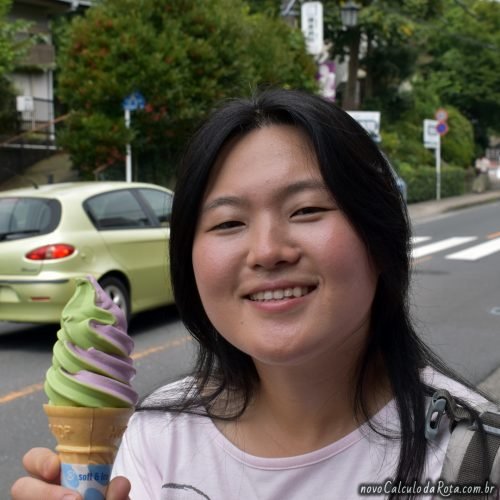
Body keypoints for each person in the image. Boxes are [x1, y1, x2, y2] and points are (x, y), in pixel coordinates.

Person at [11, 88, 497, 500]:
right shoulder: (155, 438)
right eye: (228, 223)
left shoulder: (471, 461)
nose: (266, 251)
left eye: (306, 210)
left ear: (379, 235)